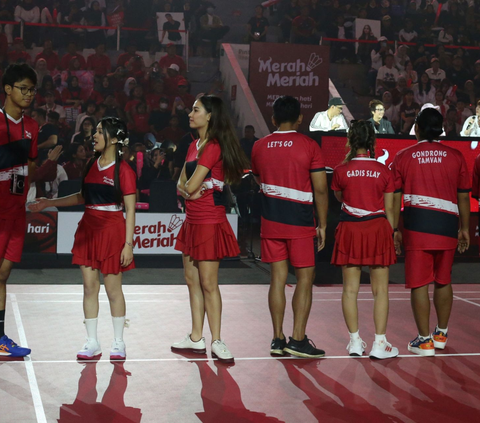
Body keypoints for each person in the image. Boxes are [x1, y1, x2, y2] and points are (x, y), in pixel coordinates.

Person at [29, 117, 136, 361]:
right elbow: (81, 197)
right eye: (95, 131)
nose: (94, 136)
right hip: (88, 229)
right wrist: (49, 202)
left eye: (100, 132)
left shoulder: (124, 170)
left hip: (112, 231)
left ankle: (118, 342)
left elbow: (130, 209)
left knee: (112, 289)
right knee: (89, 287)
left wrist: (128, 244)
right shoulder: (91, 164)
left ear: (115, 138)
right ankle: (92, 341)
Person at [171, 95, 249, 363]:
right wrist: (189, 190)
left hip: (209, 221)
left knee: (208, 283)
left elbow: (190, 187)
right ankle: (196, 338)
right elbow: (181, 184)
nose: (190, 113)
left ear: (210, 116)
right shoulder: (194, 145)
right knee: (192, 281)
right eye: (191, 109)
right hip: (192, 221)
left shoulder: (213, 146)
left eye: (195, 110)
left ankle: (216, 340)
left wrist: (190, 190)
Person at [251, 95, 328, 359]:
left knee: (277, 280)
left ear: (273, 119)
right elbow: (320, 189)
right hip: (300, 223)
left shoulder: (259, 146)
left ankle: (276, 339)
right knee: (305, 280)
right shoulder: (309, 145)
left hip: (271, 221)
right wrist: (324, 224)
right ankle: (297, 340)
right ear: (300, 118)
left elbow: (259, 179)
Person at [392, 108, 471, 357]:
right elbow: (464, 198)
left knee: (419, 283)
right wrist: (465, 228)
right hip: (447, 227)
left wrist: (394, 228)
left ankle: (424, 340)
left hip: (417, 228)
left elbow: (395, 200)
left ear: (417, 128)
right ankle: (441, 334)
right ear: (441, 129)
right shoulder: (456, 156)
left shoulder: (403, 156)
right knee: (443, 280)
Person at [331, 120, 398, 359]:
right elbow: (390, 209)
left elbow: (340, 197)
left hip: (351, 229)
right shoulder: (384, 171)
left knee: (350, 290)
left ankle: (355, 343)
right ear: (372, 142)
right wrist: (392, 234)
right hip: (378, 229)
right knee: (380, 291)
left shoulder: (340, 170)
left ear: (350, 140)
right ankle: (380, 344)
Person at [0, 64, 39, 357]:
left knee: (3, 274)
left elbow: (31, 167)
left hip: (17, 210)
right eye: (23, 88)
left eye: (32, 90)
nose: (28, 94)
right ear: (8, 89)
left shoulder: (32, 127)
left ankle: (0, 337)